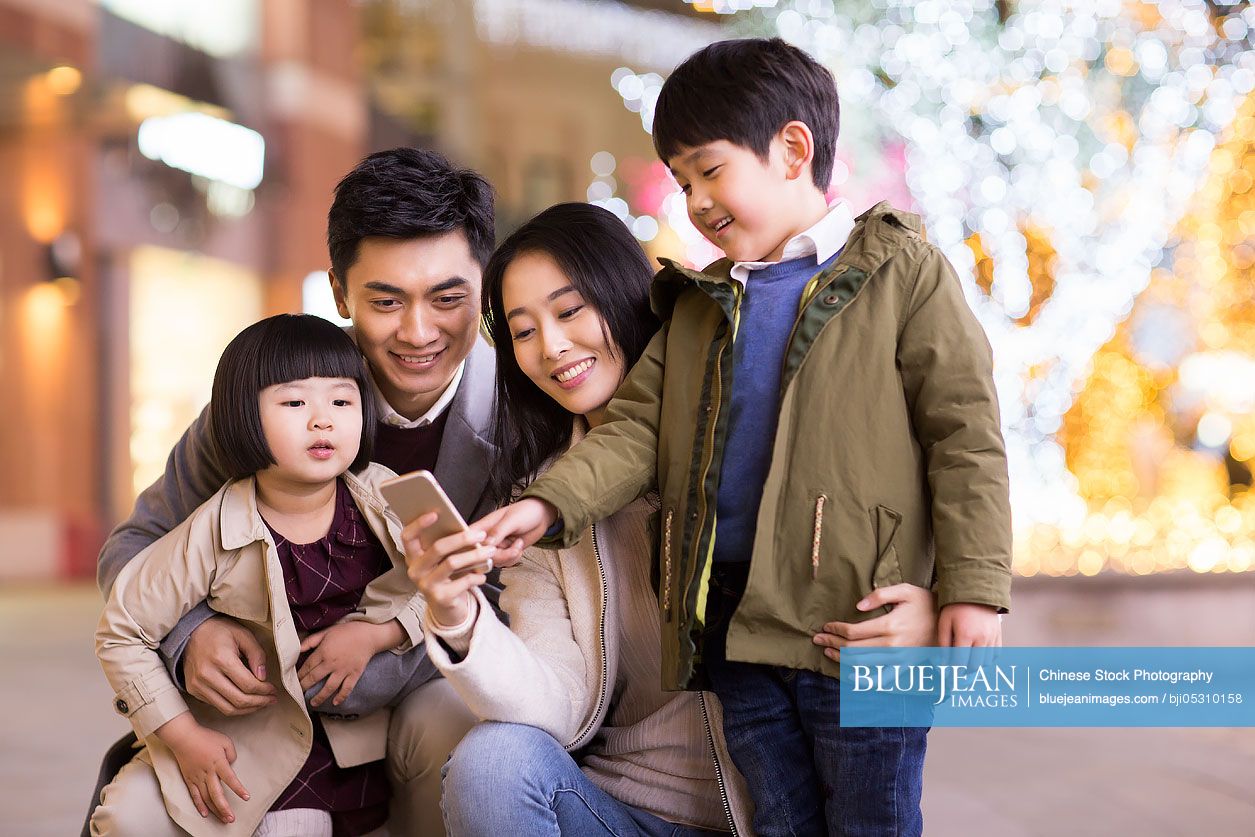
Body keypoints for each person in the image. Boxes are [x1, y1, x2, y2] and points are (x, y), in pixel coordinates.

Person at [476, 38, 1013, 837]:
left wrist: (971, 588)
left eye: (708, 170)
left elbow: (964, 435)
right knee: (783, 821)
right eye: (684, 180)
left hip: (858, 629)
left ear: (791, 149)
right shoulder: (697, 308)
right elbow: (631, 432)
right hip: (733, 632)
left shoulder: (902, 272)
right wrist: (549, 504)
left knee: (872, 818)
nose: (694, 200)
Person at [404, 203, 940, 836]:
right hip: (616, 812)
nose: (551, 347)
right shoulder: (539, 510)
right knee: (494, 762)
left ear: (625, 296)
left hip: (768, 817)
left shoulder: (749, 444)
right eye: (523, 330)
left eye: (571, 310)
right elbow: (557, 706)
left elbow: (908, 472)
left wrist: (931, 605)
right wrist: (457, 616)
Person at [87, 148, 501, 835]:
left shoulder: (524, 414)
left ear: (482, 288)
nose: (418, 331)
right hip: (259, 715)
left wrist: (380, 640)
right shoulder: (268, 399)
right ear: (340, 293)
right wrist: (192, 635)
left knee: (468, 741)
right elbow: (135, 546)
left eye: (448, 298)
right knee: (128, 816)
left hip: (423, 691)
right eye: (386, 300)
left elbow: (512, 596)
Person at [93, 314, 423, 837]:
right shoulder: (212, 528)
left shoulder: (387, 496)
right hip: (258, 739)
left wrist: (378, 632)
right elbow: (121, 629)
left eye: (342, 401)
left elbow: (447, 578)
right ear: (243, 415)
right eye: (295, 403)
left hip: (366, 735)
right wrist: (182, 736)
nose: (323, 421)